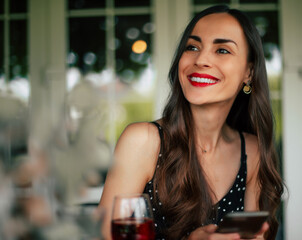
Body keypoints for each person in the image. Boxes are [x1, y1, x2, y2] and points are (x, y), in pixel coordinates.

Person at [99, 4, 284, 240]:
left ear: (249, 72)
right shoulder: (143, 141)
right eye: (193, 47)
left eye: (223, 50)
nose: (201, 59)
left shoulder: (252, 151)